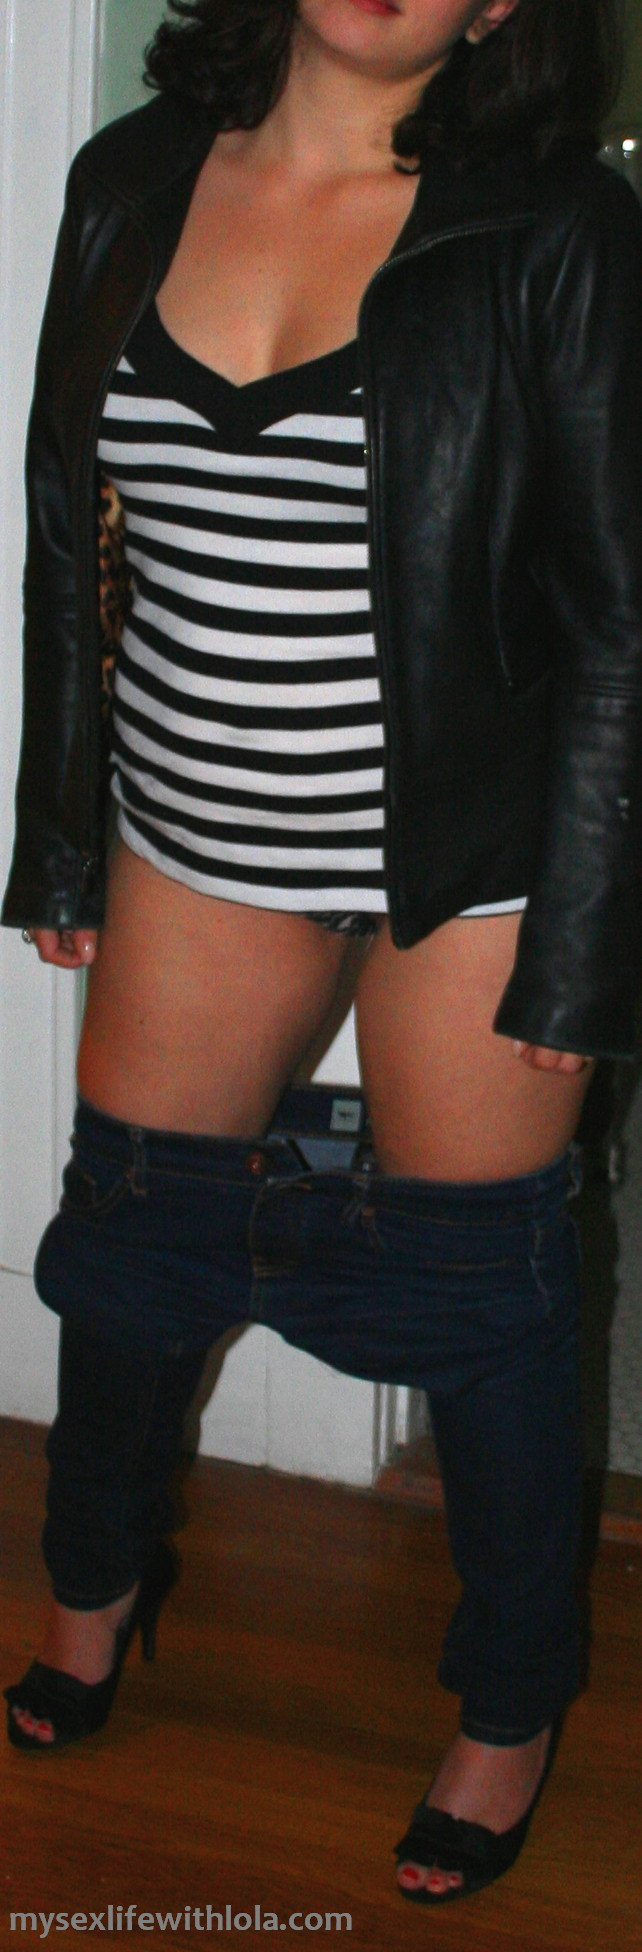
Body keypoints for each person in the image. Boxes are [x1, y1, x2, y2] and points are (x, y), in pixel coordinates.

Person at [2, 0, 640, 1909]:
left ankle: (507, 1702)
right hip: (199, 834)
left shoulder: (553, 226)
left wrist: (581, 949)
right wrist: (59, 829)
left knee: (485, 1301)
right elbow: (64, 536)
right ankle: (92, 1593)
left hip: (472, 860)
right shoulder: (128, 181)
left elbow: (620, 616)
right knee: (129, 1249)